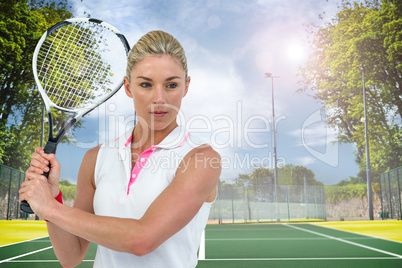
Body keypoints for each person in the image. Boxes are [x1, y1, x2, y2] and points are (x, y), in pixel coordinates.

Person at [19, 30, 221, 267]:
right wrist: (54, 197)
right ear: (128, 87)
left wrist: (50, 208)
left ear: (186, 86)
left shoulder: (202, 159)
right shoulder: (96, 158)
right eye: (145, 84)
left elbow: (141, 239)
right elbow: (71, 256)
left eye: (171, 85)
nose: (159, 98)